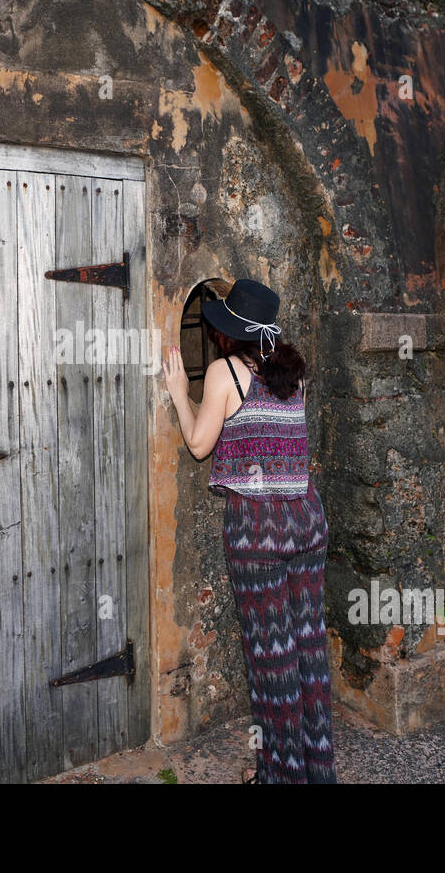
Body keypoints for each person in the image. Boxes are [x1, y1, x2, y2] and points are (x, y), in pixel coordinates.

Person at [161, 278, 336, 784]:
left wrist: (179, 392)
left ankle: (280, 777)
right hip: (306, 522)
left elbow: (199, 444)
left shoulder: (222, 373)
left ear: (227, 333)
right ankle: (317, 770)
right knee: (308, 652)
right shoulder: (292, 374)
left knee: (271, 663)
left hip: (257, 532)